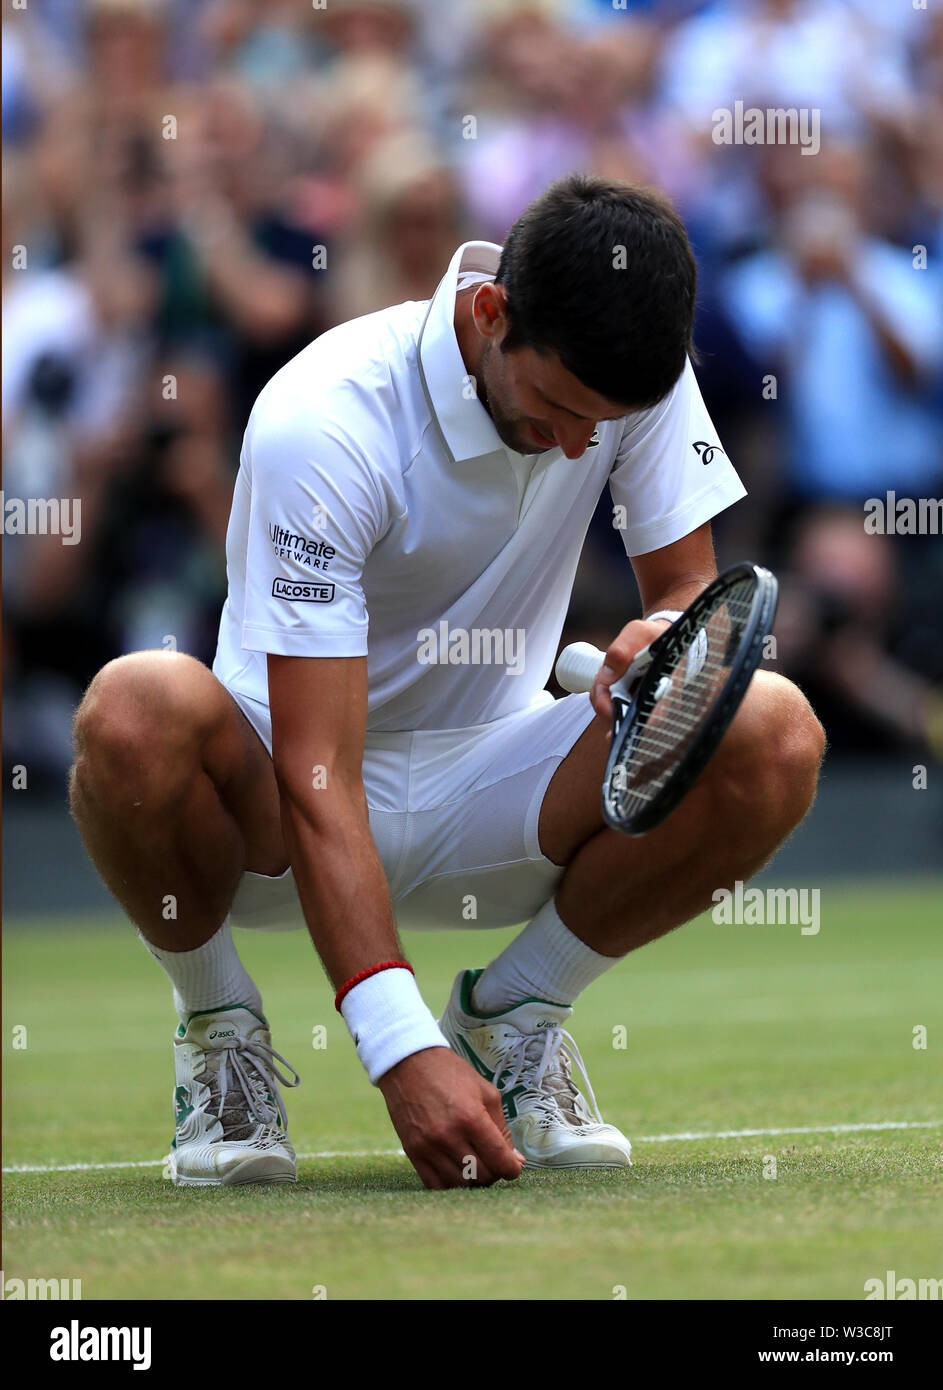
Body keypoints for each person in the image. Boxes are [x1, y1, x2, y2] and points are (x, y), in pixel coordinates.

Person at [69, 175, 825, 1190]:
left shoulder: (625, 373)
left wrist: (658, 635)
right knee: (132, 706)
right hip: (282, 811)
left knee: (769, 726)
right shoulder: (323, 419)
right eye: (556, 409)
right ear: (487, 313)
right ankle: (218, 1030)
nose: (572, 445)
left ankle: (513, 1013)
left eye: (595, 429)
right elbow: (317, 769)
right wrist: (393, 1046)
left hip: (498, 792)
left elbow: (690, 585)